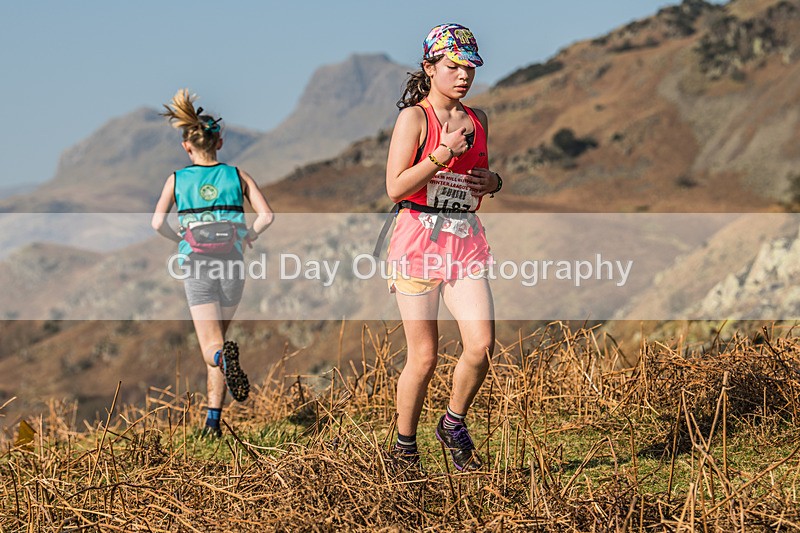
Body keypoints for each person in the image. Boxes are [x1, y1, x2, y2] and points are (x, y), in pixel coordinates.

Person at [384, 24, 502, 471]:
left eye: (469, 66)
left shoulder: (479, 120)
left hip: (464, 240)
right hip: (416, 240)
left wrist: (493, 183)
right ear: (430, 67)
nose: (463, 75)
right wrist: (440, 154)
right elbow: (395, 187)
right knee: (425, 356)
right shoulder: (414, 118)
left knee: (482, 344)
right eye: (452, 66)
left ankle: (453, 424)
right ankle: (404, 446)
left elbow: (482, 178)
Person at [151, 89, 274, 438]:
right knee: (220, 338)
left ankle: (221, 366)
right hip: (233, 264)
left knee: (212, 347)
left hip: (198, 265)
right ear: (218, 142)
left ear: (186, 146)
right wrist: (249, 235)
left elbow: (157, 224)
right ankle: (213, 421)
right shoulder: (238, 175)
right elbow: (267, 216)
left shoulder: (177, 179)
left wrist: (180, 241)